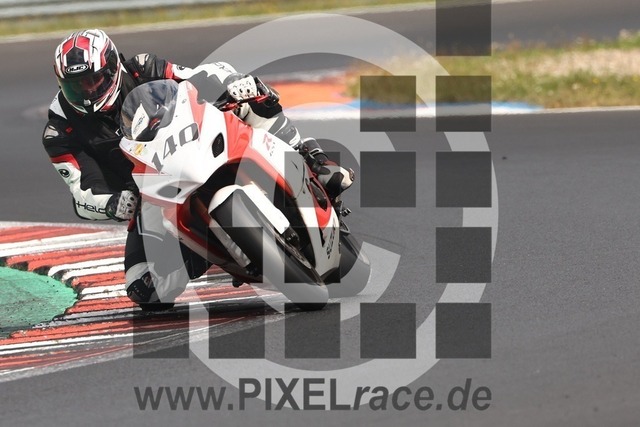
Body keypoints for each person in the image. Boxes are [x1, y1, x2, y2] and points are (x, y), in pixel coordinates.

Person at [42, 29, 354, 309]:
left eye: (92, 80)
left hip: (192, 140)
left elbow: (197, 78)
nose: (86, 92)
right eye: (75, 86)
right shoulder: (60, 130)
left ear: (112, 68)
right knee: (145, 289)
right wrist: (113, 203)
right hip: (149, 190)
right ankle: (208, 248)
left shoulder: (142, 68)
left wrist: (234, 84)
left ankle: (312, 157)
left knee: (248, 101)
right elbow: (82, 191)